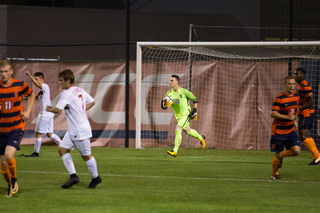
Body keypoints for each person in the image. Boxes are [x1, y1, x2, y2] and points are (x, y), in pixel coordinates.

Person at [46, 69, 101, 189]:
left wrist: (49, 109)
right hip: (73, 130)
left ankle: (96, 178)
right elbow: (92, 102)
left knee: (86, 156)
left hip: (79, 130)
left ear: (68, 81)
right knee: (62, 150)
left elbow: (58, 110)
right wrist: (80, 109)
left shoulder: (67, 93)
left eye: (61, 80)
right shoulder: (79, 90)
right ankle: (73, 176)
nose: (59, 82)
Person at [0, 59, 36, 197]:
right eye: (1, 72)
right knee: (3, 163)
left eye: (5, 71)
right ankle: (10, 185)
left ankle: (14, 178)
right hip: (1, 129)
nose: (3, 74)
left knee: (9, 156)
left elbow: (32, 94)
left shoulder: (20, 85)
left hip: (16, 126)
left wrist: (28, 111)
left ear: (11, 71)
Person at [161, 75, 205, 157]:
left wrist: (194, 111)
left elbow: (195, 99)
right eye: (170, 80)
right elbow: (165, 106)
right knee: (188, 131)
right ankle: (201, 138)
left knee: (178, 129)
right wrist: (163, 105)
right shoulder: (169, 93)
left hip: (186, 113)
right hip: (178, 116)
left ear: (177, 82)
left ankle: (174, 151)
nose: (170, 82)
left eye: (172, 80)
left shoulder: (184, 92)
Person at [24, 71, 62, 157]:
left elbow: (37, 84)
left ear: (41, 79)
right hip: (48, 114)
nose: (35, 80)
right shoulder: (41, 90)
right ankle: (64, 146)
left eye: (36, 79)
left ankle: (36, 153)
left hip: (45, 114)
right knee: (49, 133)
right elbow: (38, 97)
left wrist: (29, 75)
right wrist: (28, 98)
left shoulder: (45, 86)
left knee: (38, 133)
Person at [270, 76, 300, 179]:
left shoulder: (297, 96)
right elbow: (273, 113)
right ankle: (274, 174)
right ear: (285, 85)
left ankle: (281, 156)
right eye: (289, 84)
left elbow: (296, 109)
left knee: (296, 151)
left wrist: (295, 121)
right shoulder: (280, 98)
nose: (291, 86)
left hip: (290, 130)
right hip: (278, 131)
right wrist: (287, 117)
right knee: (278, 155)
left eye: (293, 84)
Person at [294, 67, 320, 165]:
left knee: (303, 135)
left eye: (297, 74)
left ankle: (317, 156)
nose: (295, 76)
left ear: (303, 75)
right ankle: (317, 156)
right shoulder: (300, 85)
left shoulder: (306, 86)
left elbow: (311, 102)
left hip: (306, 113)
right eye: (295, 74)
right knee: (305, 135)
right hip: (304, 113)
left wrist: (299, 109)